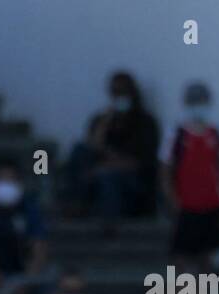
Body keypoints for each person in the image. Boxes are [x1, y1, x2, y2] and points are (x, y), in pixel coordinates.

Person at [63, 70, 160, 226]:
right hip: (97, 174)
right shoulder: (102, 119)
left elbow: (140, 163)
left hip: (130, 183)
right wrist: (105, 123)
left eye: (123, 92)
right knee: (79, 150)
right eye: (114, 92)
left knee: (107, 178)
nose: (119, 96)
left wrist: (105, 168)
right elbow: (93, 147)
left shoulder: (145, 123)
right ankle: (77, 203)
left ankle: (110, 227)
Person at [160, 81, 219, 272]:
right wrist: (171, 198)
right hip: (186, 203)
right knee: (181, 253)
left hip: (211, 201)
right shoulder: (176, 134)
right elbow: (165, 169)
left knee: (208, 252)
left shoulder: (215, 134)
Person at [0, 158, 48, 294]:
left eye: (10, 179)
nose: (5, 183)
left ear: (19, 182)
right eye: (1, 179)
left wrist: (25, 283)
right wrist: (0, 282)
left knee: (46, 286)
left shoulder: (29, 208)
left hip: (23, 273)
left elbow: (39, 247)